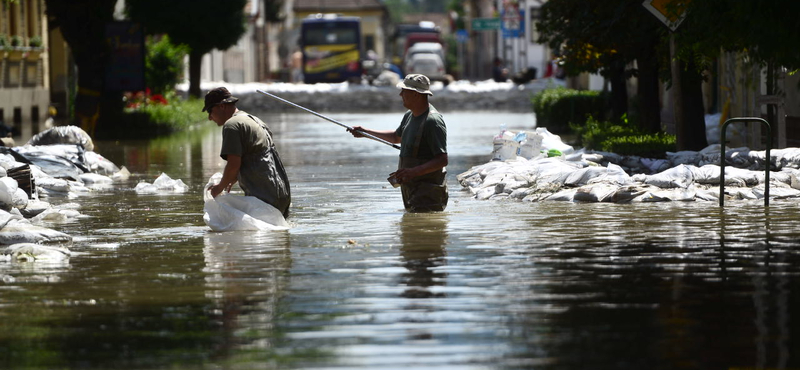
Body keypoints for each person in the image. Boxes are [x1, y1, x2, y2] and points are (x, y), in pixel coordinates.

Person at [348, 74, 448, 212]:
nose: (401, 94)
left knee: (426, 225)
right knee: (411, 229)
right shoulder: (409, 115)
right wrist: (366, 132)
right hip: (411, 189)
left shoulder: (433, 122)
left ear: (416, 94)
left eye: (404, 91)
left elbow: (442, 160)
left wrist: (413, 172)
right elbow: (396, 137)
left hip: (428, 192)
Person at [204, 87, 291, 217]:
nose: (210, 117)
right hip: (281, 196)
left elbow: (233, 165)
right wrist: (234, 177)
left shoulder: (232, 125)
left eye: (210, 111)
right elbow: (258, 157)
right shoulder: (254, 120)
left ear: (221, 106)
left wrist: (218, 188)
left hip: (264, 200)